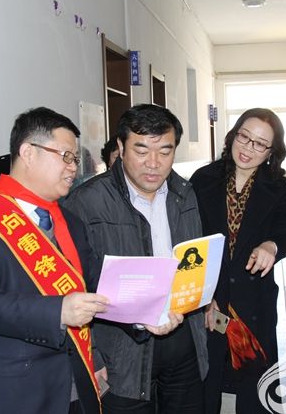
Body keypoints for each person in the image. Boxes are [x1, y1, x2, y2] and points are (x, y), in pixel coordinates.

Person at [0, 107, 109, 413]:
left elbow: (95, 284)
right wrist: (58, 311)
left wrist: (146, 309)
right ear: (28, 152)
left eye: (75, 159)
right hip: (10, 395)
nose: (73, 167)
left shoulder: (70, 222)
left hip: (73, 388)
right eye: (65, 156)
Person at [62, 104, 208, 414]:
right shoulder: (86, 202)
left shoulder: (185, 193)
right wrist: (93, 356)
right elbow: (70, 284)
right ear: (121, 147)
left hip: (182, 343)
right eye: (141, 151)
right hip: (121, 353)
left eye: (165, 151)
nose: (153, 163)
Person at [190, 108, 286, 413]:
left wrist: (271, 246)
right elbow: (190, 242)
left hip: (255, 302)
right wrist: (203, 297)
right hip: (212, 301)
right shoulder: (203, 179)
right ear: (233, 135)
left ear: (271, 152)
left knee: (256, 390)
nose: (248, 148)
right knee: (207, 384)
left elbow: (285, 232)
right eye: (244, 137)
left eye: (260, 144)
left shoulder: (278, 187)